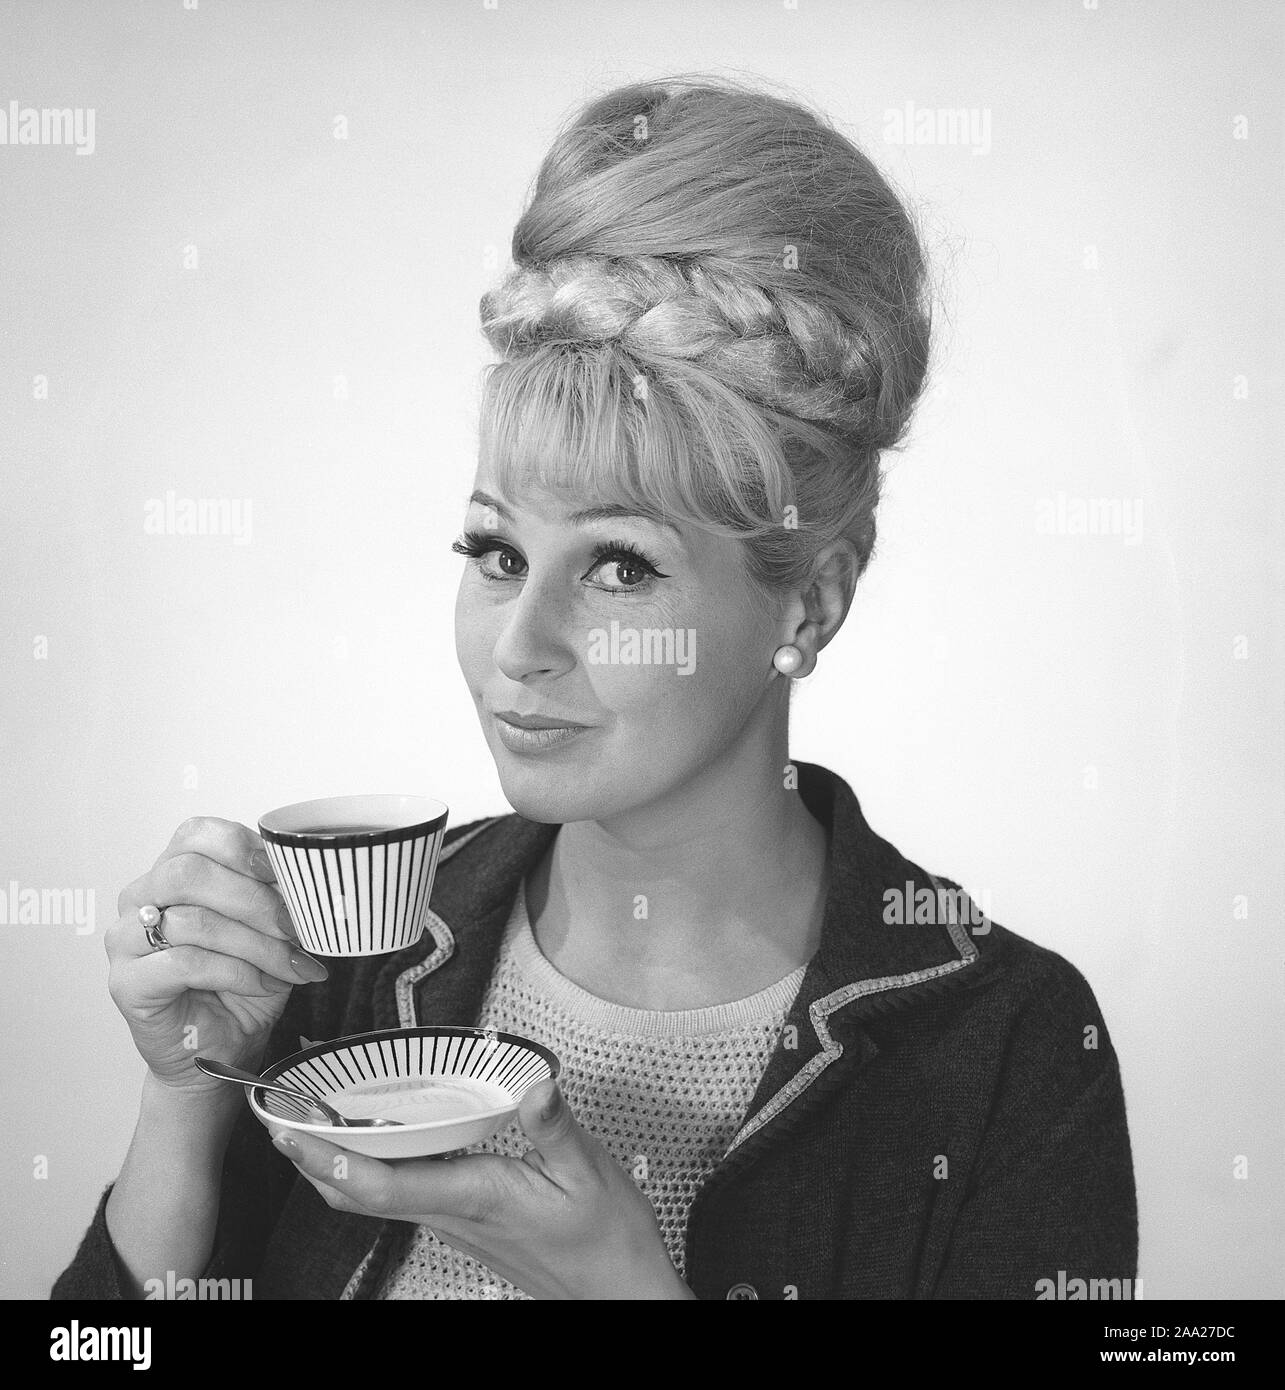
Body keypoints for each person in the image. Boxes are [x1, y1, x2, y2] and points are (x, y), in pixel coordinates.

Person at [53, 73, 1136, 1301]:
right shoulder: (353, 969)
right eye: (497, 553)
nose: (521, 643)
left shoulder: (1010, 1053)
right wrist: (189, 1095)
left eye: (619, 566)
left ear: (810, 600)